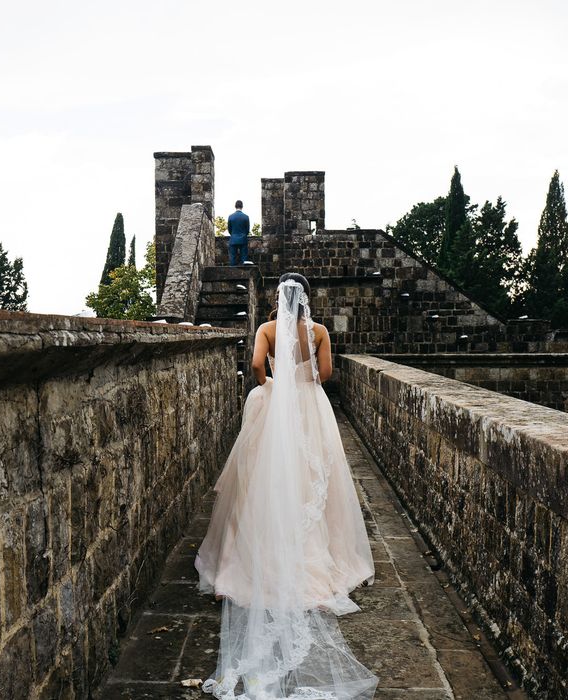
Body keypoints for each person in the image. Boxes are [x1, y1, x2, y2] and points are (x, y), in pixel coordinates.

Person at [195, 272, 378, 700]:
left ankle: (255, 559)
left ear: (277, 297)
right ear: (308, 299)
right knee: (314, 479)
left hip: (276, 407)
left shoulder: (266, 329)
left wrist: (272, 387)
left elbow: (257, 366)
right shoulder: (318, 331)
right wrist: (300, 383)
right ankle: (315, 558)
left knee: (262, 480)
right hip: (310, 408)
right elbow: (326, 375)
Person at [227, 200, 250, 265]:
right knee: (244, 258)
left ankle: (232, 274)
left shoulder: (230, 217)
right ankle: (244, 274)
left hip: (233, 239)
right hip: (243, 239)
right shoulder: (246, 217)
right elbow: (247, 230)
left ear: (235, 206)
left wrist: (234, 234)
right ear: (242, 206)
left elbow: (229, 229)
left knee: (233, 258)